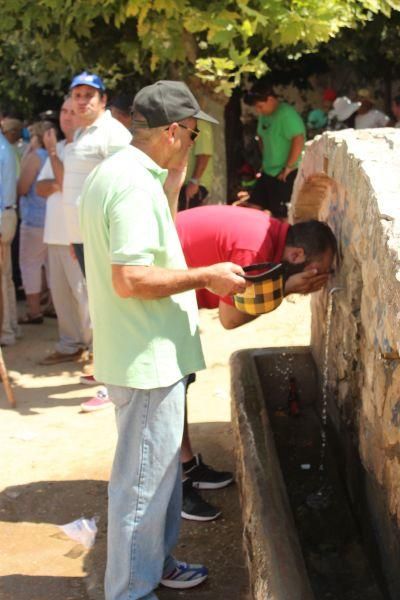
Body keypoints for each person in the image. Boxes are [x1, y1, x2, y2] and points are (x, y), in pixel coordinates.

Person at [79, 79, 247, 600]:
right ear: (172, 131)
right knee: (143, 488)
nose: (194, 144)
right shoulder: (130, 183)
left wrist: (172, 185)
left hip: (150, 355)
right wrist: (206, 276)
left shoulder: (132, 175)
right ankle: (131, 589)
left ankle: (156, 563)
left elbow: (155, 247)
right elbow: (130, 279)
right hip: (145, 360)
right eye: (193, 134)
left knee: (159, 479)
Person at [175, 205, 337, 518]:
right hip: (153, 292)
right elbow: (230, 318)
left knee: (180, 377)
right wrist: (287, 288)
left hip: (173, 293)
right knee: (165, 388)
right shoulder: (254, 249)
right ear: (297, 255)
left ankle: (186, 465)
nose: (317, 279)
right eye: (317, 270)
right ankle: (175, 488)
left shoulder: (272, 233)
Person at [62, 71, 132, 410]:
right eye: (77, 95)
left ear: (103, 100)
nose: (82, 100)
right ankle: (105, 366)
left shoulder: (113, 133)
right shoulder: (81, 132)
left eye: (90, 95)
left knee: (109, 308)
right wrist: (78, 240)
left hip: (103, 237)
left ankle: (112, 383)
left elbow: (123, 186)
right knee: (98, 305)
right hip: (84, 237)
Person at [36, 97, 91, 365]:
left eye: (72, 111)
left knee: (85, 297)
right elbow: (41, 187)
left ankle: (96, 350)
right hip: (54, 235)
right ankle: (70, 345)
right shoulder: (57, 148)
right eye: (63, 110)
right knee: (61, 297)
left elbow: (61, 181)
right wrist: (61, 181)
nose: (66, 117)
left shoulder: (84, 148)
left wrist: (56, 166)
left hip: (78, 236)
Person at [243, 82, 306, 219]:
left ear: (270, 99)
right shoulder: (264, 115)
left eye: (260, 106)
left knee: (281, 217)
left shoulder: (287, 114)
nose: (258, 111)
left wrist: (288, 167)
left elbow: (299, 139)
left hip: (284, 173)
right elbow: (260, 137)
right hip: (267, 171)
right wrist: (264, 159)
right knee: (252, 210)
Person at [17, 121, 54, 324]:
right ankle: (53, 306)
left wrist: (26, 155)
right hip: (52, 219)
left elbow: (22, 187)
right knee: (51, 267)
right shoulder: (56, 154)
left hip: (34, 220)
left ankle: (34, 310)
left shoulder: (35, 157)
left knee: (29, 265)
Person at [0, 129, 18, 345]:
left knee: (2, 279)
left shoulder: (3, 148)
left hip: (3, 214)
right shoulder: (5, 146)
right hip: (6, 213)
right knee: (6, 276)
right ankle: (11, 327)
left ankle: (5, 331)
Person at [178, 119, 214, 211]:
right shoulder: (184, 121)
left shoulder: (201, 124)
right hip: (182, 182)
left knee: (185, 218)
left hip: (194, 184)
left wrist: (194, 181)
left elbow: (204, 154)